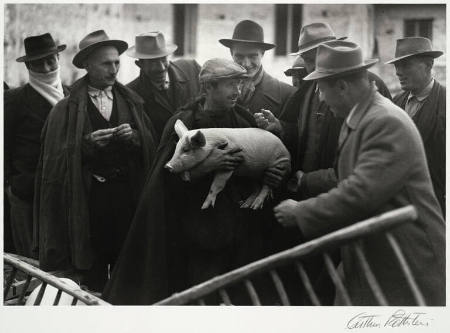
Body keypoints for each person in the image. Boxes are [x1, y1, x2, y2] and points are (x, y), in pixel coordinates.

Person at [274, 40, 445, 306]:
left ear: (342, 86)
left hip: (408, 262)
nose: (319, 97)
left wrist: (302, 212)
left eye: (321, 88)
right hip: (377, 256)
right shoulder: (359, 119)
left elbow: (361, 193)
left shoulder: (385, 121)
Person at [103, 58, 286, 305]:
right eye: (230, 85)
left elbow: (260, 160)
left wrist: (270, 176)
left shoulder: (243, 119)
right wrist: (206, 167)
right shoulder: (185, 123)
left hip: (241, 233)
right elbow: (164, 181)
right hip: (198, 235)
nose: (237, 91)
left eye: (239, 85)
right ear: (209, 87)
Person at [34, 30, 156, 292]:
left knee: (127, 262)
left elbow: (150, 145)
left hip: (127, 196)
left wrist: (134, 137)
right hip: (90, 200)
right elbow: (55, 162)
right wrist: (86, 146)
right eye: (106, 63)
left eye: (116, 62)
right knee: (94, 266)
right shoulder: (67, 108)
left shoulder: (132, 102)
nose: (114, 69)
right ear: (87, 65)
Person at [256, 22, 391, 199]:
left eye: (313, 60)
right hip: (308, 190)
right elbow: (305, 135)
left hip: (343, 194)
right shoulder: (309, 87)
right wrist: (281, 127)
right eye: (306, 60)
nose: (309, 68)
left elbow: (366, 164)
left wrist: (312, 181)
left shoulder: (365, 84)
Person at [4, 33, 69, 257]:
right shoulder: (14, 100)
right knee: (31, 261)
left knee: (60, 259)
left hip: (64, 194)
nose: (46, 67)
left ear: (59, 59)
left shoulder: (70, 96)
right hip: (27, 194)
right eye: (38, 63)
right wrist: (11, 186)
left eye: (50, 60)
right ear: (29, 67)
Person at [386, 37, 445, 216]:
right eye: (397, 66)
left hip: (433, 209)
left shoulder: (445, 105)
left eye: (405, 65)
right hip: (398, 208)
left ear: (428, 64)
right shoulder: (395, 103)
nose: (398, 72)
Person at [126, 31, 201, 142]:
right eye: (152, 62)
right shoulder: (131, 93)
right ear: (139, 65)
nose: (161, 68)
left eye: (163, 59)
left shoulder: (192, 69)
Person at [219, 20, 295, 117]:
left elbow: (296, 130)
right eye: (239, 56)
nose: (246, 64)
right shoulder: (216, 90)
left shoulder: (287, 94)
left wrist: (279, 126)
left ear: (262, 53)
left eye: (252, 56)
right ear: (231, 53)